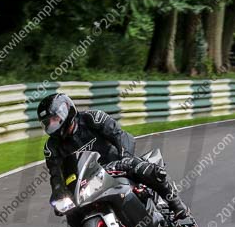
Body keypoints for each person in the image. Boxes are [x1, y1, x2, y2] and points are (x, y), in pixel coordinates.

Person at [38, 93, 189, 219]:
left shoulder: (93, 118)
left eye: (54, 119)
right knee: (71, 214)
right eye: (47, 123)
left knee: (139, 167)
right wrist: (59, 194)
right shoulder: (51, 147)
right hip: (88, 182)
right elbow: (56, 175)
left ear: (66, 111)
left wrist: (125, 157)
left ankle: (176, 204)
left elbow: (120, 135)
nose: (51, 125)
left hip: (116, 164)